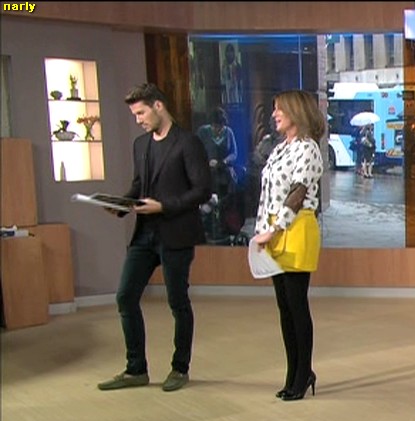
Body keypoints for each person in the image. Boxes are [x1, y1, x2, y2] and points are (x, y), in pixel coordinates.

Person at [97, 83, 212, 393]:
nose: (138, 120)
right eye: (135, 115)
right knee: (125, 296)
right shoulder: (141, 145)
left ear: (158, 106)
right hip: (144, 234)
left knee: (177, 302)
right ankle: (136, 369)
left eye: (141, 113)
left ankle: (180, 368)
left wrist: (164, 206)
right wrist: (121, 205)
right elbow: (139, 185)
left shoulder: (188, 143)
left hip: (176, 233)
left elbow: (202, 190)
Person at [251, 90, 326, 402]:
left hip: (295, 228)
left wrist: (274, 229)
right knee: (284, 307)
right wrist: (261, 231)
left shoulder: (308, 149)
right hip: (274, 228)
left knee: (296, 304)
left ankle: (303, 372)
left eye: (279, 109)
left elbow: (297, 193)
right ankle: (293, 372)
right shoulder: (280, 148)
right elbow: (267, 194)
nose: (274, 115)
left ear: (296, 111)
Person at [196, 107, 241, 243]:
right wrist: (206, 161)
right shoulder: (203, 132)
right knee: (208, 202)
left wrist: (223, 162)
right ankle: (208, 229)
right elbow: (195, 150)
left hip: (224, 173)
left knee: (224, 202)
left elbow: (234, 153)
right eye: (215, 126)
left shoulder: (228, 132)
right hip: (207, 173)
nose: (217, 129)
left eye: (220, 127)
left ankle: (224, 228)